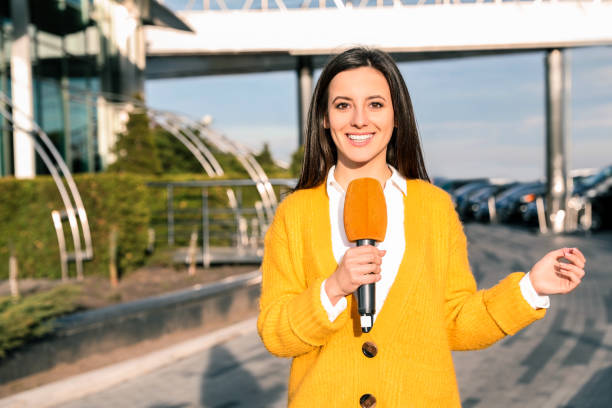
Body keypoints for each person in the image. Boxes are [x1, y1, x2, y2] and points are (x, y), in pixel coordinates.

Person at [257, 47, 586, 408]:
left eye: (376, 104)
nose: (360, 119)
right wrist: (333, 289)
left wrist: (529, 288)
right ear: (323, 117)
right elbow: (275, 333)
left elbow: (456, 321)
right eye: (343, 105)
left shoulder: (433, 207)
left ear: (397, 116)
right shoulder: (295, 213)